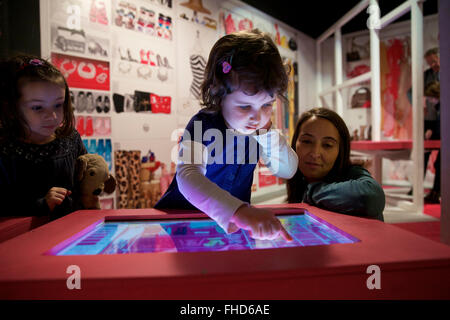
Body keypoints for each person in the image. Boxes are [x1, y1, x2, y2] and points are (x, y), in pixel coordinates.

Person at [155, 29, 298, 241]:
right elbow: (188, 176)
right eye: (244, 106)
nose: (256, 117)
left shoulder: (259, 129)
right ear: (217, 93)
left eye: (267, 104)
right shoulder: (203, 124)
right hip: (185, 223)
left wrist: (268, 134)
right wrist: (238, 211)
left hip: (232, 228)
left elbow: (287, 170)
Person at [0, 54, 87, 221]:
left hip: (72, 234)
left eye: (58, 104)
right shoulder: (5, 151)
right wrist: (41, 205)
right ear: (12, 108)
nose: (52, 115)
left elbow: (86, 180)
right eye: (38, 107)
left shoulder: (70, 139)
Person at [286, 108, 385, 221]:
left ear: (340, 150)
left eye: (327, 145)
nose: (315, 153)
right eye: (307, 141)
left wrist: (312, 192)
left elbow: (372, 198)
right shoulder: (299, 179)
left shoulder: (352, 174)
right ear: (295, 144)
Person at [407, 47, 440, 201]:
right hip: (429, 120)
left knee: (441, 159)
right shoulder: (426, 75)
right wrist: (420, 105)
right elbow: (411, 92)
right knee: (423, 155)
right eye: (430, 62)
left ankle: (437, 190)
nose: (433, 64)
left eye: (434, 60)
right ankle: (417, 188)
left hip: (442, 120)